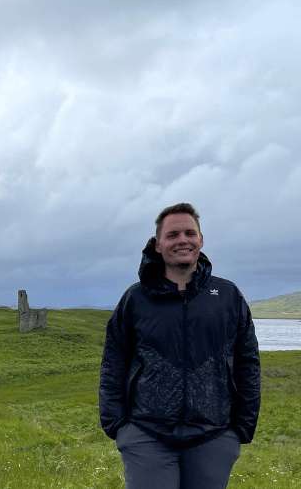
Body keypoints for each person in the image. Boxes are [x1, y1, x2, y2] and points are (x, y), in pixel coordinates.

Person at [99, 203, 260, 489]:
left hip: (214, 434)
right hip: (147, 433)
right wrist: (118, 425)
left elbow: (247, 362)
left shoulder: (227, 295)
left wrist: (241, 429)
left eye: (190, 233)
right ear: (158, 245)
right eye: (173, 235)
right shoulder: (135, 299)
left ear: (201, 240)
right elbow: (114, 361)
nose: (182, 240)